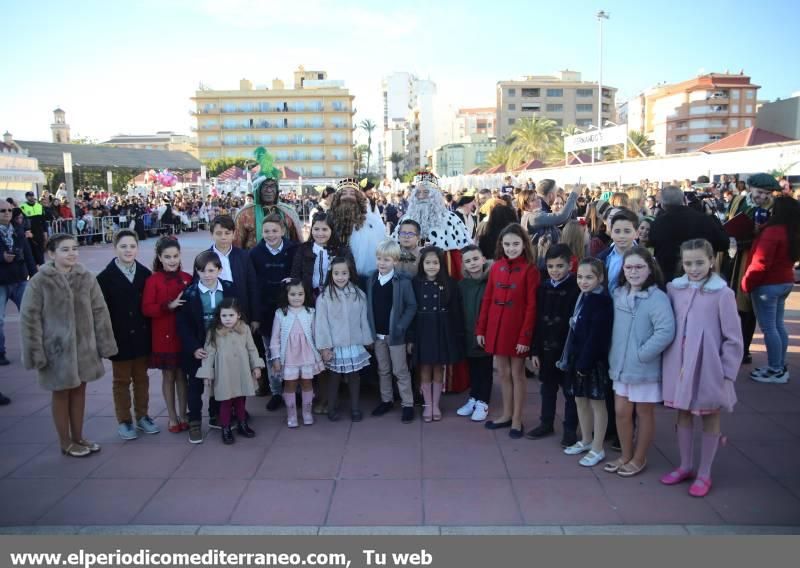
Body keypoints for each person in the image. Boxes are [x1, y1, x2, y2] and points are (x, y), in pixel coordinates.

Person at [20, 233, 117, 457]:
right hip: (56, 349)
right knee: (62, 393)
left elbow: (100, 311)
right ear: (51, 254)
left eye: (74, 248)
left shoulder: (86, 277)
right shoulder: (39, 281)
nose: (72, 253)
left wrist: (104, 344)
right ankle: (65, 441)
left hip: (84, 347)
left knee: (80, 390)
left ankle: (79, 436)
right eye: (65, 249)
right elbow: (30, 318)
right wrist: (35, 352)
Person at [661, 239, 743, 497]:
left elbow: (733, 337)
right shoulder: (675, 289)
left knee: (710, 415)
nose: (693, 268)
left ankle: (705, 472)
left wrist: (727, 372)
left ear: (711, 261)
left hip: (709, 367)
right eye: (688, 263)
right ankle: (686, 465)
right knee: (683, 413)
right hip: (680, 364)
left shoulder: (723, 294)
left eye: (699, 262)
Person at [605, 246, 675, 477]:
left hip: (644, 367)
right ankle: (625, 454)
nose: (633, 272)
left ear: (649, 269)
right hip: (620, 366)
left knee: (644, 413)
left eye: (639, 267)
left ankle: (639, 457)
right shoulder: (618, 295)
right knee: (621, 412)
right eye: (629, 267)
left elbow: (665, 331)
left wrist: (642, 354)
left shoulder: (658, 298)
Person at [476, 224, 539, 438]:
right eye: (507, 244)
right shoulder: (496, 267)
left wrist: (525, 336)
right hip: (496, 327)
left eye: (515, 244)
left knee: (517, 374)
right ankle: (506, 414)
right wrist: (481, 328)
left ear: (524, 244)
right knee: (502, 373)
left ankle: (517, 419)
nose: (511, 248)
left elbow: (532, 306)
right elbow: (487, 299)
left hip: (516, 330)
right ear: (501, 245)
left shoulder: (530, 269)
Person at [97, 230, 158, 440]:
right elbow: (101, 311)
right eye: (123, 246)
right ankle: (124, 420)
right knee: (121, 380)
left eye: (132, 246)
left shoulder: (144, 273)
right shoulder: (105, 278)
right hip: (119, 337)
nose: (128, 250)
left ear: (137, 248)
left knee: (142, 379)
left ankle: (143, 416)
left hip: (141, 336)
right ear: (115, 248)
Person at [176, 251, 236, 444]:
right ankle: (194, 421)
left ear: (219, 270)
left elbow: (235, 316)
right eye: (202, 270)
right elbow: (183, 324)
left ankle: (215, 414)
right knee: (195, 385)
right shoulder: (190, 293)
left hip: (221, 346)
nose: (207, 274)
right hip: (198, 348)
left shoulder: (229, 289)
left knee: (220, 381)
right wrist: (193, 347)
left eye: (211, 270)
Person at [741, 196, 800, 384]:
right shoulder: (792, 231)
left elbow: (761, 262)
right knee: (778, 325)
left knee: (769, 328)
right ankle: (780, 365)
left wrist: (746, 283)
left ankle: (775, 368)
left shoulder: (772, 232)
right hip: (785, 281)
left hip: (767, 284)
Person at [561, 258, 613, 467]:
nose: (583, 281)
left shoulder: (602, 301)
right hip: (577, 358)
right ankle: (586, 439)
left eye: (589, 277)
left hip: (592, 362)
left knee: (597, 405)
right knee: (579, 401)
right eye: (580, 277)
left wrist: (585, 363)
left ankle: (598, 447)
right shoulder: (582, 297)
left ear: (600, 278)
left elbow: (597, 337)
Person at [724, 173, 779, 364]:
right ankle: (729, 345)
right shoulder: (738, 200)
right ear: (750, 188)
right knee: (729, 303)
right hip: (733, 256)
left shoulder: (773, 209)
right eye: (759, 192)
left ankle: (744, 349)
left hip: (752, 258)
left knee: (747, 307)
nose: (762, 197)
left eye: (767, 193)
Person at [528, 244, 580, 446]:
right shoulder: (543, 287)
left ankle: (569, 429)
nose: (555, 270)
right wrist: (535, 350)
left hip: (566, 349)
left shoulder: (576, 288)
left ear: (570, 265)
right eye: (551, 266)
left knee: (569, 392)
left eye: (560, 266)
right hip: (546, 349)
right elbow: (537, 320)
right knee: (547, 388)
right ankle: (546, 422)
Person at [142, 236, 193, 433]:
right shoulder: (153, 280)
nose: (172, 260)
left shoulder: (187, 278)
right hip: (163, 334)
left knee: (182, 376)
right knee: (168, 376)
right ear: (160, 258)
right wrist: (167, 306)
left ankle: (183, 413)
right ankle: (171, 416)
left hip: (183, 335)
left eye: (175, 256)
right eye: (167, 256)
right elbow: (147, 308)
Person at [196, 299, 264, 444]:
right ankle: (225, 427)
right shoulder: (214, 331)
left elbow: (252, 349)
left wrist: (256, 366)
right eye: (224, 316)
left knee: (241, 400)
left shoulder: (244, 329)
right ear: (219, 316)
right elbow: (209, 353)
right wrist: (207, 373)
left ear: (238, 315)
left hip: (241, 370)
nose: (227, 319)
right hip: (224, 373)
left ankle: (242, 423)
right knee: (225, 402)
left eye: (231, 315)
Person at [314, 256, 373, 422]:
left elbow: (363, 319)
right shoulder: (324, 297)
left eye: (344, 273)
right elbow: (321, 324)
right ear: (331, 274)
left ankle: (355, 408)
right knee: (334, 378)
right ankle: (331, 408)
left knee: (354, 376)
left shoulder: (358, 295)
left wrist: (367, 339)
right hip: (335, 345)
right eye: (336, 273)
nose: (340, 277)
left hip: (354, 344)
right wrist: (324, 347)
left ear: (350, 274)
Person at [249, 214, 299, 409]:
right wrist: (255, 314)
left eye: (275, 231)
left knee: (293, 351)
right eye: (267, 231)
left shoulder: (293, 250)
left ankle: (293, 389)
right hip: (266, 311)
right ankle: (277, 391)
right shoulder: (255, 253)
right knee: (272, 353)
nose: (270, 235)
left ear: (283, 231)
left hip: (289, 309)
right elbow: (252, 284)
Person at [411, 246, 465, 422]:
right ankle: (427, 404)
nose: (432, 266)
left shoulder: (450, 283)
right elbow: (411, 312)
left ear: (441, 264)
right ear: (422, 264)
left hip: (442, 328)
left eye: (435, 262)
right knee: (425, 366)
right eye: (428, 262)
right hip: (423, 328)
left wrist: (457, 335)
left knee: (439, 367)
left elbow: (456, 311)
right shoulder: (415, 283)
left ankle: (436, 404)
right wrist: (410, 338)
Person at [366, 240, 417, 423]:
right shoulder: (372, 279)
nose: (382, 263)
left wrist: (401, 326)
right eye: (379, 258)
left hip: (395, 336)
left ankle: (408, 404)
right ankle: (386, 400)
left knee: (400, 370)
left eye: (386, 259)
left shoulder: (402, 282)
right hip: (378, 336)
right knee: (383, 370)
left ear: (395, 261)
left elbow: (411, 306)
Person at [393, 172, 471, 281]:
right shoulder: (406, 219)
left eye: (426, 192)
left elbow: (461, 251)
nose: (421, 196)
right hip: (412, 273)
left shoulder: (450, 218)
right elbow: (395, 250)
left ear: (435, 195)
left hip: (441, 272)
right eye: (418, 193)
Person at [269, 279, 324, 428]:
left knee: (307, 382)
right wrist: (276, 358)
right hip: (288, 356)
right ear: (286, 295)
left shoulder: (310, 312)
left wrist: (322, 351)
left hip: (307, 354)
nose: (297, 297)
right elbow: (275, 338)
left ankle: (307, 412)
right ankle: (292, 415)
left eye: (300, 294)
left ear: (306, 295)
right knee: (290, 384)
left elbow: (316, 334)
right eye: (293, 294)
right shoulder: (281, 314)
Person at [648, 186, 729, 283]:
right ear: (684, 200)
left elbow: (652, 245)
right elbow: (724, 244)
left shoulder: (657, 223)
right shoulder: (704, 219)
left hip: (667, 278)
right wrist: (713, 217)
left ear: (662, 204)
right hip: (700, 277)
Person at [456, 244, 494, 422]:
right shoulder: (462, 285)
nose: (472, 263)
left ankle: (483, 401)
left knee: (485, 368)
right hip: (467, 333)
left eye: (475, 259)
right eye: (468, 261)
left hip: (486, 334)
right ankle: (474, 397)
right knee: (472, 368)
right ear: (463, 264)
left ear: (483, 259)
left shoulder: (491, 282)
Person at [235, 148, 302, 248]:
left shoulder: (288, 213)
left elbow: (297, 244)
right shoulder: (245, 214)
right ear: (257, 190)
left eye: (272, 186)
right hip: (252, 262)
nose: (269, 190)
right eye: (265, 186)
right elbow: (237, 246)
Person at [0, 201, 36, 368]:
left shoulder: (18, 230)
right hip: (1, 281)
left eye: (9, 210)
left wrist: (34, 275)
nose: (7, 213)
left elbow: (28, 253)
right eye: (2, 211)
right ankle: (1, 352)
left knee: (31, 314)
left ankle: (35, 349)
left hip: (20, 279)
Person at [329, 178, 386, 279]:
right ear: (338, 197)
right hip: (336, 274)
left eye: (352, 193)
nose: (348, 197)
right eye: (344, 193)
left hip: (362, 275)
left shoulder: (369, 220)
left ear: (358, 197)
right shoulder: (329, 218)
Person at [291, 212, 353, 301]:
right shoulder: (303, 249)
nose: (320, 233)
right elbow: (295, 274)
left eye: (324, 229)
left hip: (335, 297)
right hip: (308, 298)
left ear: (331, 230)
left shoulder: (342, 251)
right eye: (316, 229)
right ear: (311, 230)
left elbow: (351, 276)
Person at [527, 179, 579, 246]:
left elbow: (562, 219)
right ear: (551, 195)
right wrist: (574, 195)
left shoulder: (544, 209)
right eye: (555, 192)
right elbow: (561, 217)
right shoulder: (536, 213)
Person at [20, 191, 45, 265]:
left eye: (32, 195)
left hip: (39, 231)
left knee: (40, 249)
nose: (31, 197)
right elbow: (22, 220)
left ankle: (42, 265)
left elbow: (43, 220)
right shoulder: (22, 207)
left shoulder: (39, 206)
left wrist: (45, 231)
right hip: (30, 231)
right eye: (29, 196)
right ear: (26, 197)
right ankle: (35, 266)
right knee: (32, 250)